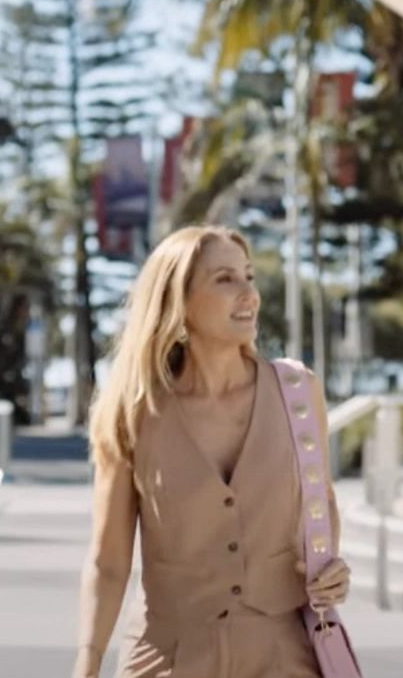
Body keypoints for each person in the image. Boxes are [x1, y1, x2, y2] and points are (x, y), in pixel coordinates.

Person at [73, 226, 350, 678]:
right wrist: (86, 663)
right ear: (177, 302)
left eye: (249, 277)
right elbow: (108, 561)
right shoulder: (132, 411)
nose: (248, 294)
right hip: (168, 658)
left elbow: (322, 504)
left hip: (284, 655)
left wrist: (329, 569)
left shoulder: (298, 392)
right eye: (225, 279)